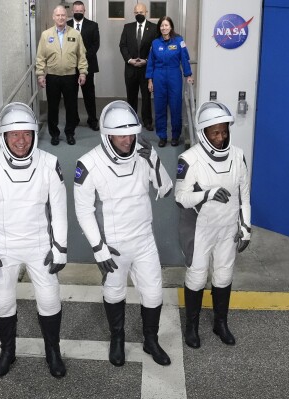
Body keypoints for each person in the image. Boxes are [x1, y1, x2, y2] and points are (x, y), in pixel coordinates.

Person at [73, 100, 173, 367]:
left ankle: (150, 340)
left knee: (153, 294)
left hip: (144, 240)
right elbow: (83, 211)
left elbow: (166, 188)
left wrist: (154, 160)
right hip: (113, 245)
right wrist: (99, 248)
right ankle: (117, 338)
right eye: (122, 134)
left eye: (132, 133)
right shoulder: (88, 163)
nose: (128, 139)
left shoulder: (143, 153)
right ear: (107, 134)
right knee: (114, 292)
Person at [0, 102, 68, 378]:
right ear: (3, 136)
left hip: (40, 245)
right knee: (2, 303)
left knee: (50, 300)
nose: (21, 140)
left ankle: (53, 351)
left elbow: (59, 209)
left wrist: (59, 247)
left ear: (34, 133)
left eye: (26, 133)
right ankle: (7, 351)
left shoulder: (49, 163)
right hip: (3, 247)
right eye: (14, 134)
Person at [174, 101, 251, 349]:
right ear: (203, 133)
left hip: (228, 227)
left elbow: (245, 196)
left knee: (223, 276)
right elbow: (180, 198)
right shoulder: (189, 159)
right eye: (215, 132)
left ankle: (221, 323)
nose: (221, 137)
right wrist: (206, 194)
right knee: (197, 278)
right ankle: (192, 327)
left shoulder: (238, 156)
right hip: (201, 229)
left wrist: (246, 227)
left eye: (224, 131)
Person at [36, 5, 88, 146]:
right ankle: (54, 134)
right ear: (54, 17)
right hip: (52, 77)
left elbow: (81, 56)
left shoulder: (75, 34)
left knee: (71, 107)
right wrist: (41, 74)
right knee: (52, 107)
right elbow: (40, 57)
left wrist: (82, 72)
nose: (60, 18)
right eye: (58, 15)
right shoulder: (46, 35)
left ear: (67, 17)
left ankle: (70, 133)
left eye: (63, 15)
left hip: (70, 77)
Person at [146, 16, 194, 148]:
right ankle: (162, 136)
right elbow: (151, 63)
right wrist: (150, 80)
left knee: (175, 107)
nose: (164, 28)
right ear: (159, 28)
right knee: (160, 108)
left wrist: (188, 74)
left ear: (171, 26)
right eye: (162, 25)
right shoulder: (155, 43)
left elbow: (184, 58)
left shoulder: (179, 41)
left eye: (166, 25)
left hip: (174, 76)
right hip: (159, 76)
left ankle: (175, 136)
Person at [119, 3, 156, 131]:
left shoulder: (154, 28)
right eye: (136, 12)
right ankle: (132, 119)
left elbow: (155, 49)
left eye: (141, 12)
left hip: (146, 68)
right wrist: (130, 60)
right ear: (134, 13)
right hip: (131, 68)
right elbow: (122, 45)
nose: (139, 14)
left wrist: (146, 60)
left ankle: (147, 121)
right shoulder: (127, 27)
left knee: (146, 96)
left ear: (146, 12)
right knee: (131, 95)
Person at [67, 1, 100, 131]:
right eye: (76, 11)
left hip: (88, 66)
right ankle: (74, 119)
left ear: (84, 11)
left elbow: (95, 45)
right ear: (72, 11)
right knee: (71, 95)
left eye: (81, 11)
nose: (78, 13)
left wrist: (82, 58)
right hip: (70, 67)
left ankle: (92, 120)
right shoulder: (66, 25)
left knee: (89, 95)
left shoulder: (92, 25)